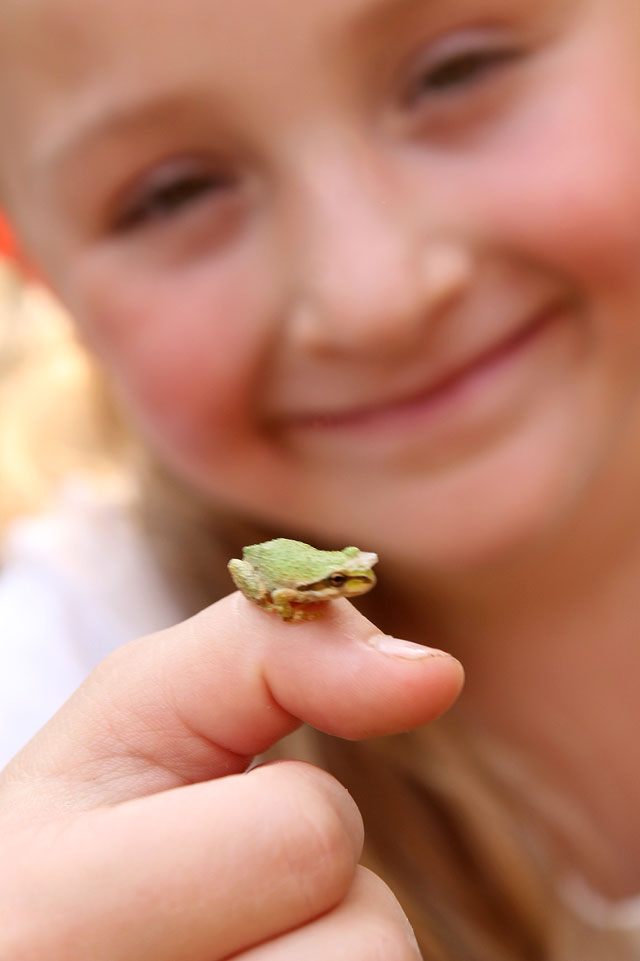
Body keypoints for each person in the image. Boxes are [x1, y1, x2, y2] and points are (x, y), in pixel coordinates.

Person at [1, 0, 640, 956]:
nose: (375, 297)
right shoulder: (42, 697)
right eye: (172, 194)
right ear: (42, 275)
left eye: (455, 72)